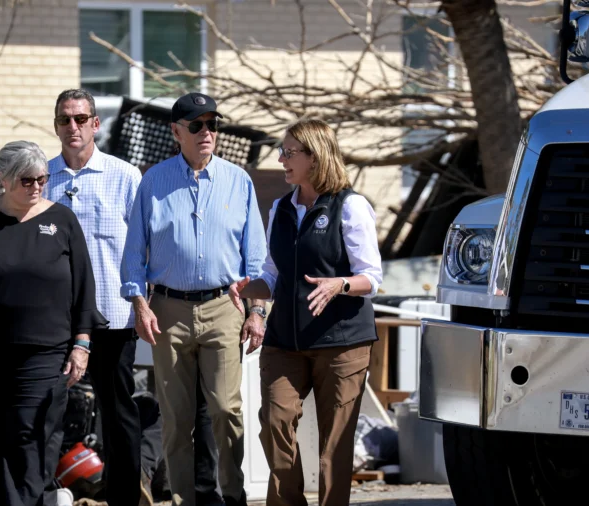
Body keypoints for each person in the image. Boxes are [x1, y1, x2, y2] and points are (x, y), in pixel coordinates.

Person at [0, 140, 107, 506]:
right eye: (27, 180)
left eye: (42, 180)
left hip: (47, 353)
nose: (36, 187)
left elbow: (84, 285)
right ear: (4, 178)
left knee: (30, 433)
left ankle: (28, 500)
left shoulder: (61, 220)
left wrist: (82, 342)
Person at [121, 92, 267, 506]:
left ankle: (234, 495)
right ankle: (184, 500)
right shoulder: (153, 181)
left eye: (213, 125)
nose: (208, 133)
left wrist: (257, 312)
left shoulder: (239, 181)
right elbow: (134, 252)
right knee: (177, 419)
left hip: (225, 306)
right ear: (176, 132)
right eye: (197, 125)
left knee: (225, 410)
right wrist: (139, 304)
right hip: (168, 310)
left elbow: (254, 257)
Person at [230, 119, 384, 506]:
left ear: (315, 157)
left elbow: (372, 277)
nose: (281, 158)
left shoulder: (351, 206)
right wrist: (248, 288)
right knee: (274, 422)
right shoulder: (281, 207)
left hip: (343, 342)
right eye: (282, 151)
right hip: (285, 340)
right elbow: (272, 273)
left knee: (335, 443)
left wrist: (340, 285)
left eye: (288, 152)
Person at [43, 88, 150, 506]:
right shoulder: (42, 177)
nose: (73, 126)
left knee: (118, 410)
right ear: (56, 126)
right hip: (57, 318)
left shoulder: (124, 176)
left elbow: (142, 246)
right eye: (65, 119)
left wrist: (142, 302)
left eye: (80, 118)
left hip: (113, 314)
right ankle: (45, 493)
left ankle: (124, 497)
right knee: (49, 408)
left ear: (95, 124)